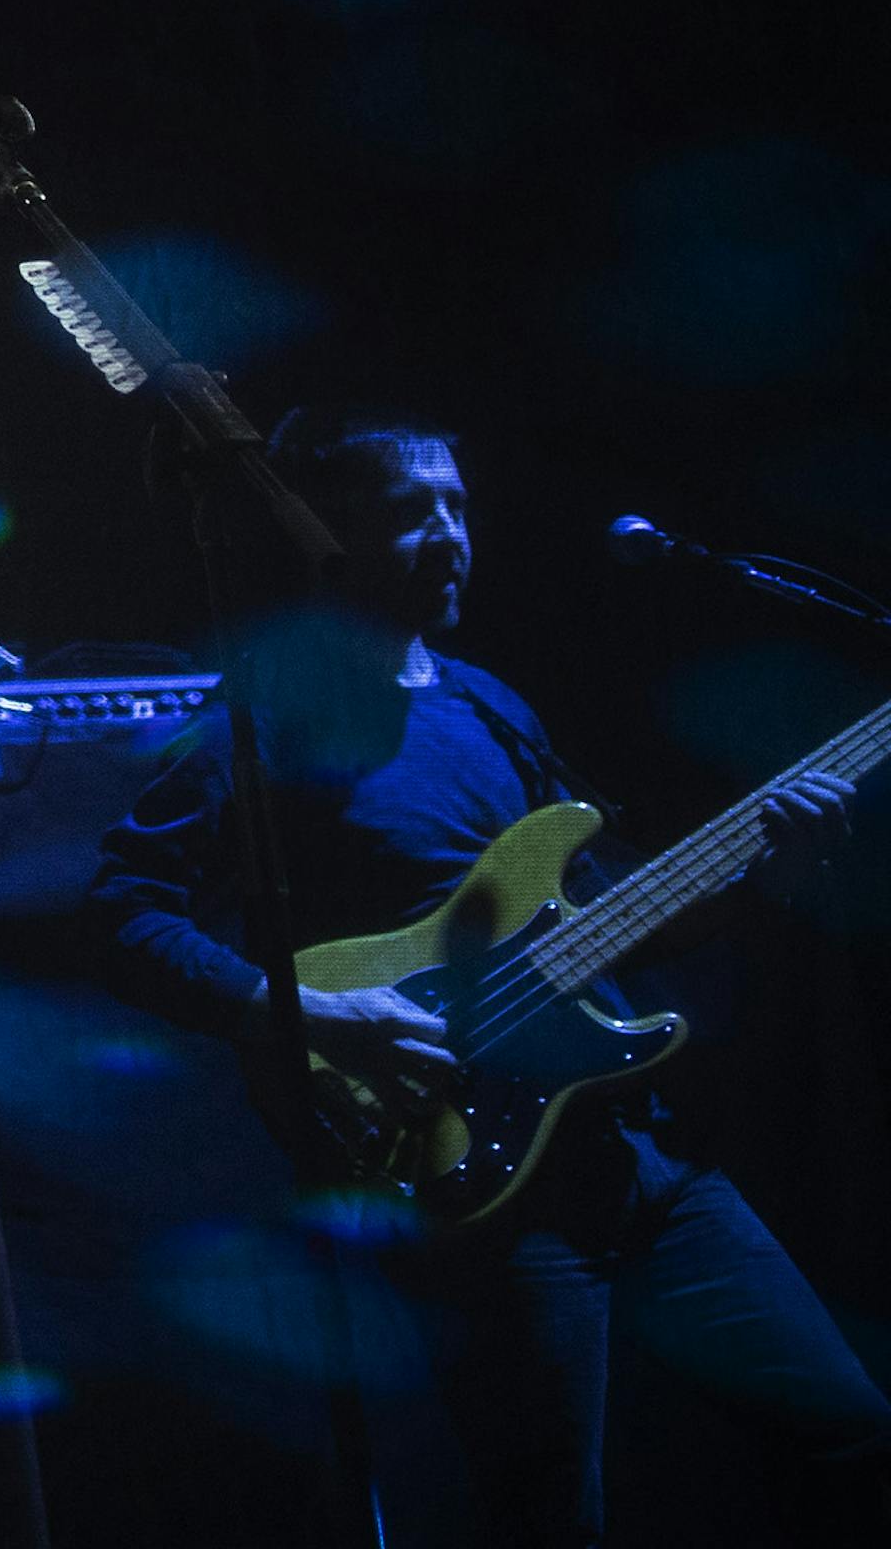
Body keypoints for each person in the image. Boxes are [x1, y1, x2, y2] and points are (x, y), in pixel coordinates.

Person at [88, 409, 890, 1544]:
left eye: (459, 506)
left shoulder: (490, 703)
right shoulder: (264, 715)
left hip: (642, 1157)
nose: (451, 532)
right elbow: (121, 912)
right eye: (415, 511)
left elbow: (617, 927)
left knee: (851, 1433)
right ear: (331, 534)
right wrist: (313, 1014)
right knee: (554, 1519)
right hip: (493, 1192)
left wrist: (771, 876)